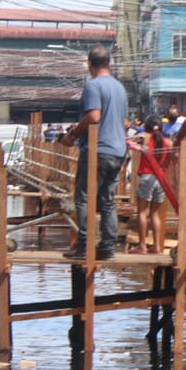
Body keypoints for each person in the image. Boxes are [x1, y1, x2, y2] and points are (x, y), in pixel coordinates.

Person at [62, 45, 129, 261]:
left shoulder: (93, 86)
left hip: (97, 150)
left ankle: (84, 245)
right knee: (107, 200)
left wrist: (73, 133)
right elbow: (125, 122)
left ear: (89, 64)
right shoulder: (120, 88)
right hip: (118, 150)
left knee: (83, 198)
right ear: (109, 64)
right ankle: (107, 247)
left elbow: (94, 117)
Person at [129, 116, 170, 254]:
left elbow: (128, 141)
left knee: (142, 212)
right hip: (160, 179)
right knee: (154, 214)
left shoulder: (145, 137)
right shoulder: (167, 142)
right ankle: (157, 247)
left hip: (147, 178)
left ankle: (142, 246)